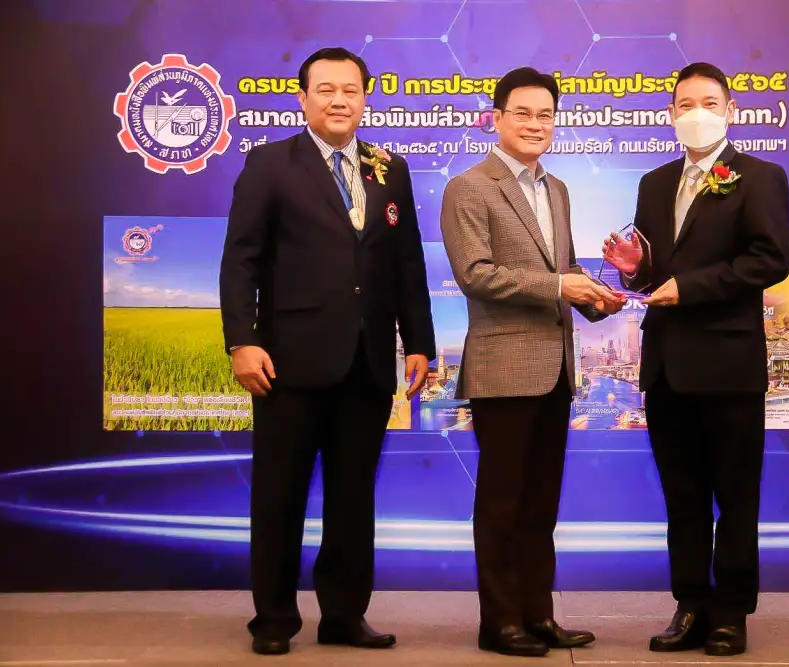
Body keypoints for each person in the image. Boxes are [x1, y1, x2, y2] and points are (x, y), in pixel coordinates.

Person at [219, 47, 435, 656]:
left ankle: (343, 615)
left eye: (351, 90)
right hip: (287, 362)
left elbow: (407, 262)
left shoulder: (389, 169)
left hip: (367, 361)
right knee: (279, 495)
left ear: (365, 98)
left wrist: (419, 342)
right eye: (326, 90)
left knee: (352, 498)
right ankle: (273, 620)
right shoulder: (269, 164)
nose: (339, 100)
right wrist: (242, 340)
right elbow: (240, 260)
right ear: (303, 98)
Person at [603, 62, 789, 656]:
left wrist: (690, 287)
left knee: (735, 496)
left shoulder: (760, 176)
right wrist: (636, 271)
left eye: (709, 102)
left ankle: (731, 612)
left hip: (729, 364)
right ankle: (689, 604)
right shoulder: (654, 183)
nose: (697, 113)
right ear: (670, 114)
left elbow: (770, 259)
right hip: (666, 367)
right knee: (682, 498)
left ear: (730, 110)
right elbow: (658, 276)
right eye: (685, 104)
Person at [441, 66, 625, 657]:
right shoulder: (469, 187)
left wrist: (598, 298)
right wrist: (562, 286)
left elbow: (562, 269)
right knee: (502, 502)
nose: (535, 124)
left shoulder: (558, 188)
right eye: (522, 113)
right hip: (502, 369)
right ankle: (499, 623)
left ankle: (537, 615)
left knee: (541, 504)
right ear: (495, 119)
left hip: (556, 369)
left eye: (545, 115)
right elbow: (476, 275)